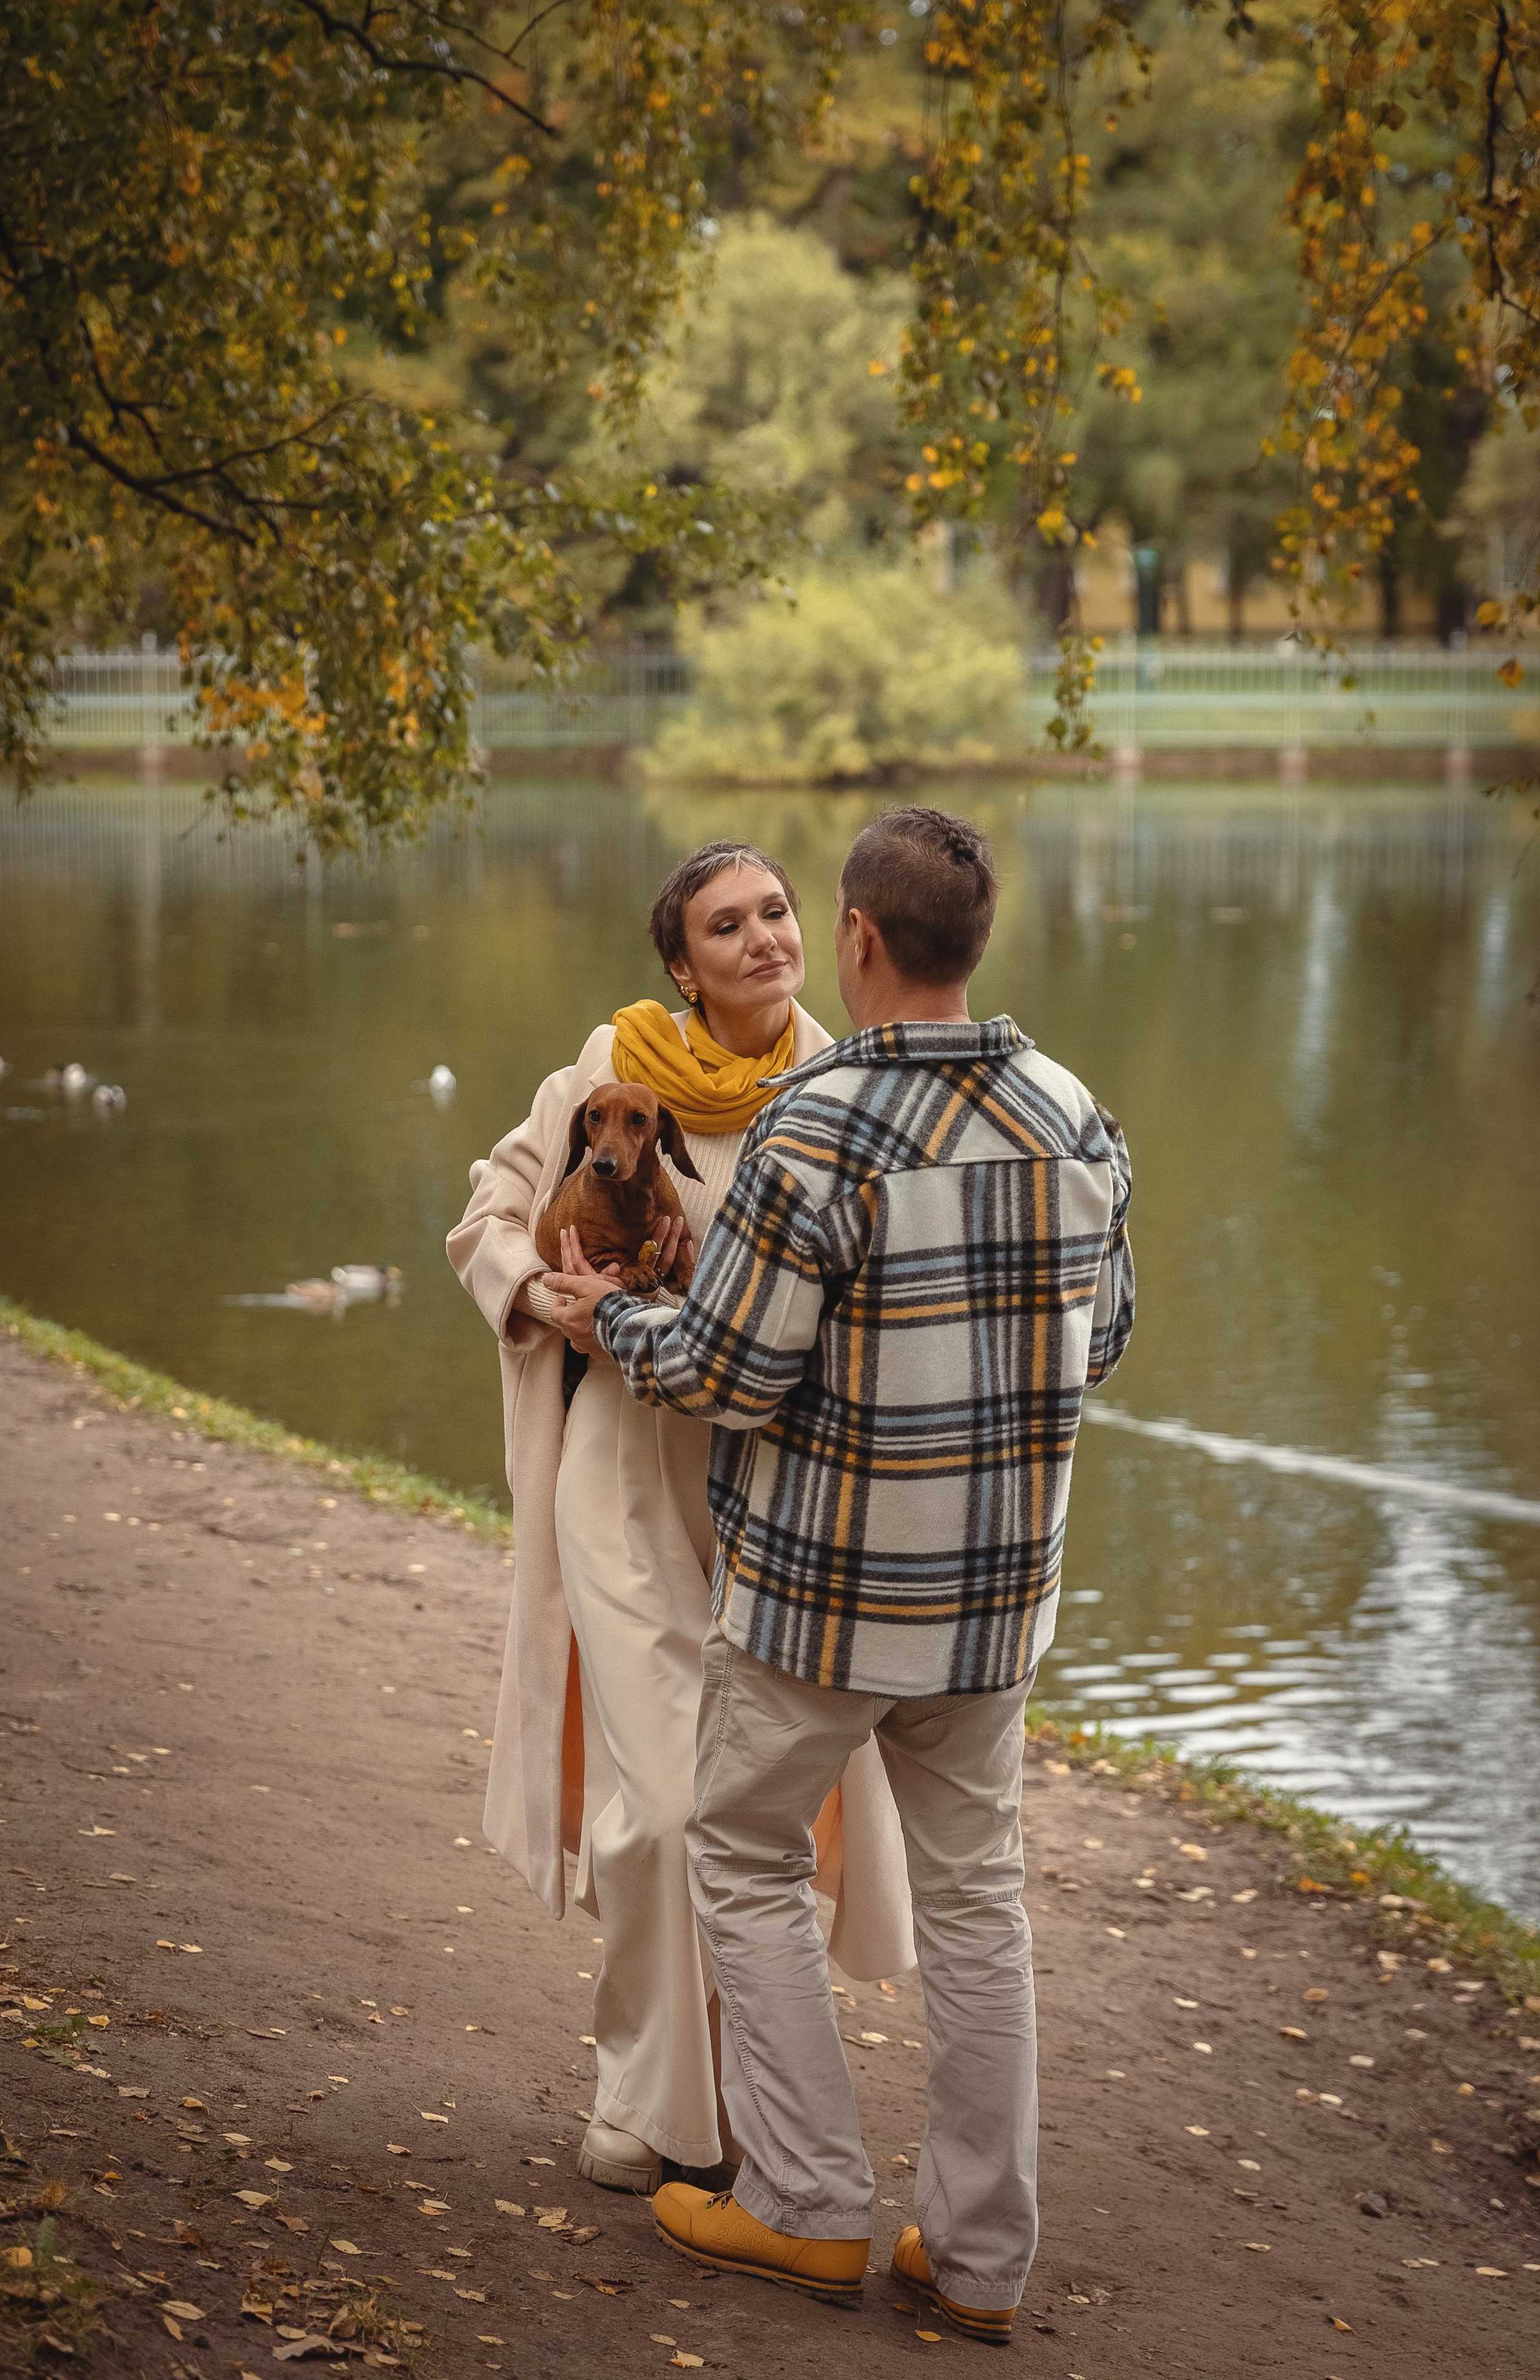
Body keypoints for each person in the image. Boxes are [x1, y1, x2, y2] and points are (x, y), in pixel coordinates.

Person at [546, 806, 1135, 2338]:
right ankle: (979, 2259)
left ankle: (804, 2207)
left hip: (821, 1601)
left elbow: (728, 1373)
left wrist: (599, 1316)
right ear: (972, 940)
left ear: (858, 940)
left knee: (736, 1851)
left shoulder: (818, 1124)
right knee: (980, 1908)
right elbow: (1106, 1337)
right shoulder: (1074, 1112)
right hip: (999, 1606)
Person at [446, 841, 914, 2198]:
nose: (764, 938)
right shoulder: (611, 1064)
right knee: (653, 1808)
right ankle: (643, 2094)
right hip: (623, 1462)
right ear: (679, 964)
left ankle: (738, 2092)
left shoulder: (847, 1081)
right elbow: (491, 1213)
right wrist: (541, 1294)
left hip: (776, 1483)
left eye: (776, 912)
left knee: (747, 1808)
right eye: (727, 925)